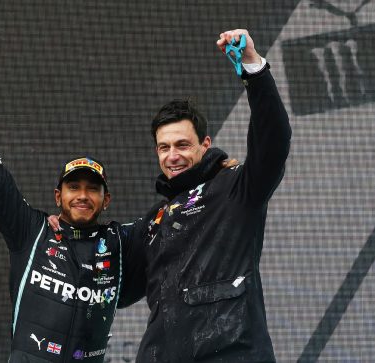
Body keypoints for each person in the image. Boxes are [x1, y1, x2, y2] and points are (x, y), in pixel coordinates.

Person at [0, 41, 145, 362]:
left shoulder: (119, 245)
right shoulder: (31, 231)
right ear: (58, 195)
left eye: (92, 189)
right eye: (73, 186)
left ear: (106, 200)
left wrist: (215, 169)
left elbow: (176, 222)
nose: (82, 195)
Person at [133, 29, 292, 362]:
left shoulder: (235, 188)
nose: (172, 155)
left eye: (182, 144)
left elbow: (273, 139)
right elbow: (104, 273)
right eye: (164, 147)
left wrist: (253, 67)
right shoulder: (152, 220)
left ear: (205, 145)